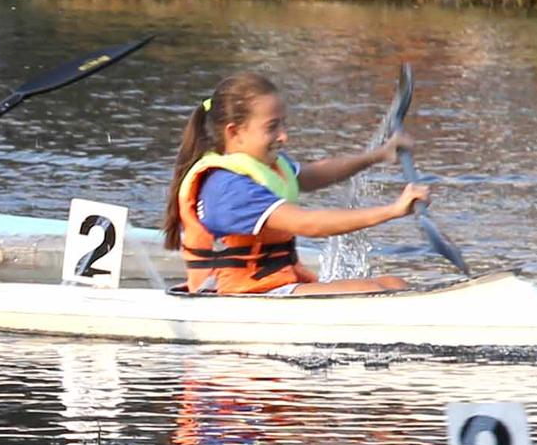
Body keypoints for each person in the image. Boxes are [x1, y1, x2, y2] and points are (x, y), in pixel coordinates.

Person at [163, 70, 429, 298]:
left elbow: (314, 174)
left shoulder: (265, 166)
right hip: (236, 296)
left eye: (283, 124)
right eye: (272, 127)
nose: (284, 136)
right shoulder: (227, 188)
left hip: (268, 289)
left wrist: (378, 155)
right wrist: (392, 210)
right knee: (381, 291)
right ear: (234, 132)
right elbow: (307, 223)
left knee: (394, 284)